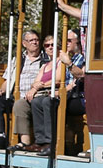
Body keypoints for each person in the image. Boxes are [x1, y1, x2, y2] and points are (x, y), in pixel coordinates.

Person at [0, 30, 48, 150]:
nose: (35, 42)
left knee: (21, 105)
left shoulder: (45, 59)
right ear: (24, 43)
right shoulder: (17, 60)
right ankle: (1, 137)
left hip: (34, 97)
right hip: (15, 96)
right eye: (31, 40)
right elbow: (7, 80)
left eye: (36, 40)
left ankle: (28, 142)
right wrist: (1, 90)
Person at [33, 29, 88, 157]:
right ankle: (41, 142)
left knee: (48, 102)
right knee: (36, 102)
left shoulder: (82, 58)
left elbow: (81, 76)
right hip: (65, 94)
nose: (66, 43)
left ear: (77, 42)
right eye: (64, 41)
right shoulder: (65, 57)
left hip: (77, 96)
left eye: (69, 41)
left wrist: (68, 63)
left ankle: (52, 143)